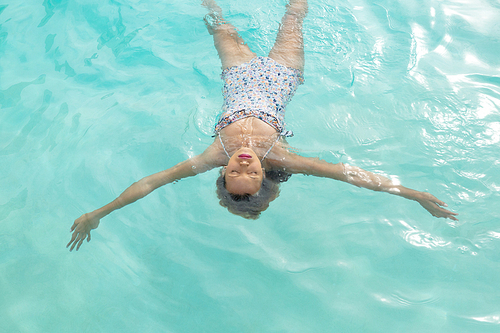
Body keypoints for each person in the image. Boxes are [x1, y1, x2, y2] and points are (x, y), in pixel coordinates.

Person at [67, 0, 458, 251]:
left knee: (216, 20)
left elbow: (152, 182)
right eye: (250, 171)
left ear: (222, 172)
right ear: (263, 174)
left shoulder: (212, 154)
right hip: (283, 75)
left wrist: (100, 212)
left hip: (236, 74)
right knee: (293, 15)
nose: (242, 162)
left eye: (234, 170)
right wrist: (413, 194)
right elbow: (349, 175)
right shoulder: (280, 156)